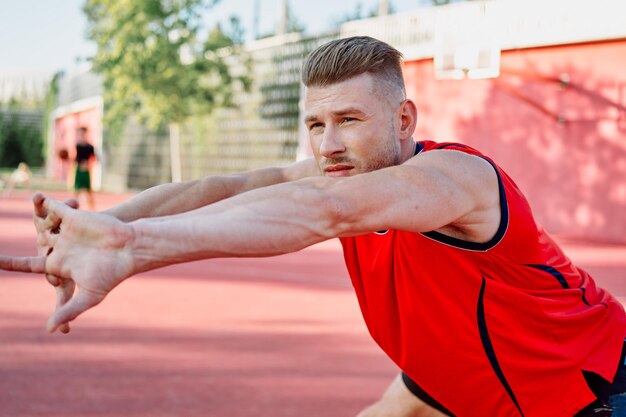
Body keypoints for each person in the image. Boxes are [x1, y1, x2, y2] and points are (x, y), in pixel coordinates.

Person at [1, 36, 625, 417]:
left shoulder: (455, 178)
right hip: (455, 379)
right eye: (317, 124)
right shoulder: (340, 172)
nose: (329, 143)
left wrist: (133, 248)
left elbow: (325, 213)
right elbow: (224, 188)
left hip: (595, 393)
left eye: (350, 119)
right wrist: (102, 221)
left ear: (404, 118)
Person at [73, 126, 96, 211]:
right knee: (77, 190)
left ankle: (93, 209)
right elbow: (76, 159)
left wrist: (87, 164)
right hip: (79, 170)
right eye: (79, 133)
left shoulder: (90, 147)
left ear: (86, 133)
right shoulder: (77, 146)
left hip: (86, 171)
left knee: (88, 191)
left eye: (82, 133)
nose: (81, 135)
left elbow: (94, 158)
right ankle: (74, 208)